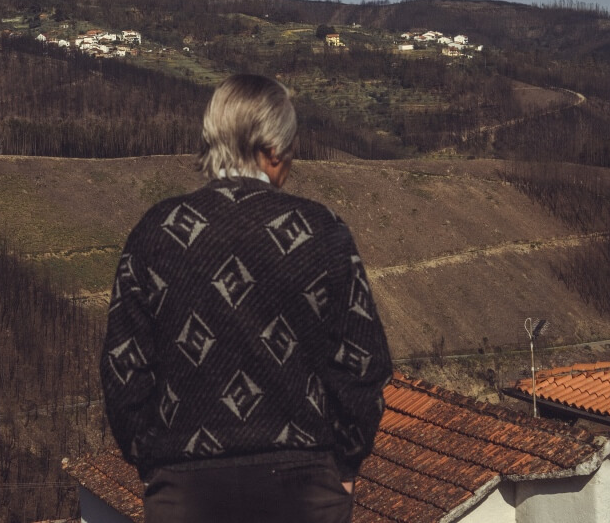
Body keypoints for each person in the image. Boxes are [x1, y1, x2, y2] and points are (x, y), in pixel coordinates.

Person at [101, 74, 392, 523]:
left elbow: (124, 370)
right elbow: (362, 362)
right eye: (290, 147)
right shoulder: (321, 230)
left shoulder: (155, 233)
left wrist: (156, 467)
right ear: (273, 149)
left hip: (186, 493)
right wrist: (345, 466)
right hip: (304, 490)